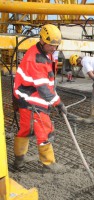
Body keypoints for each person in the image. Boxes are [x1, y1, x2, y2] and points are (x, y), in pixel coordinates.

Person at [13, 24, 67, 172]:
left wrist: (54, 99)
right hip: (31, 99)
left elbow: (46, 83)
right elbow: (44, 89)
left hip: (28, 97)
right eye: (51, 46)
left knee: (26, 129)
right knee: (44, 130)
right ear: (42, 41)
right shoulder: (36, 59)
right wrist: (58, 103)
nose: (54, 49)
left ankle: (19, 160)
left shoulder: (43, 52)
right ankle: (49, 164)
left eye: (56, 46)